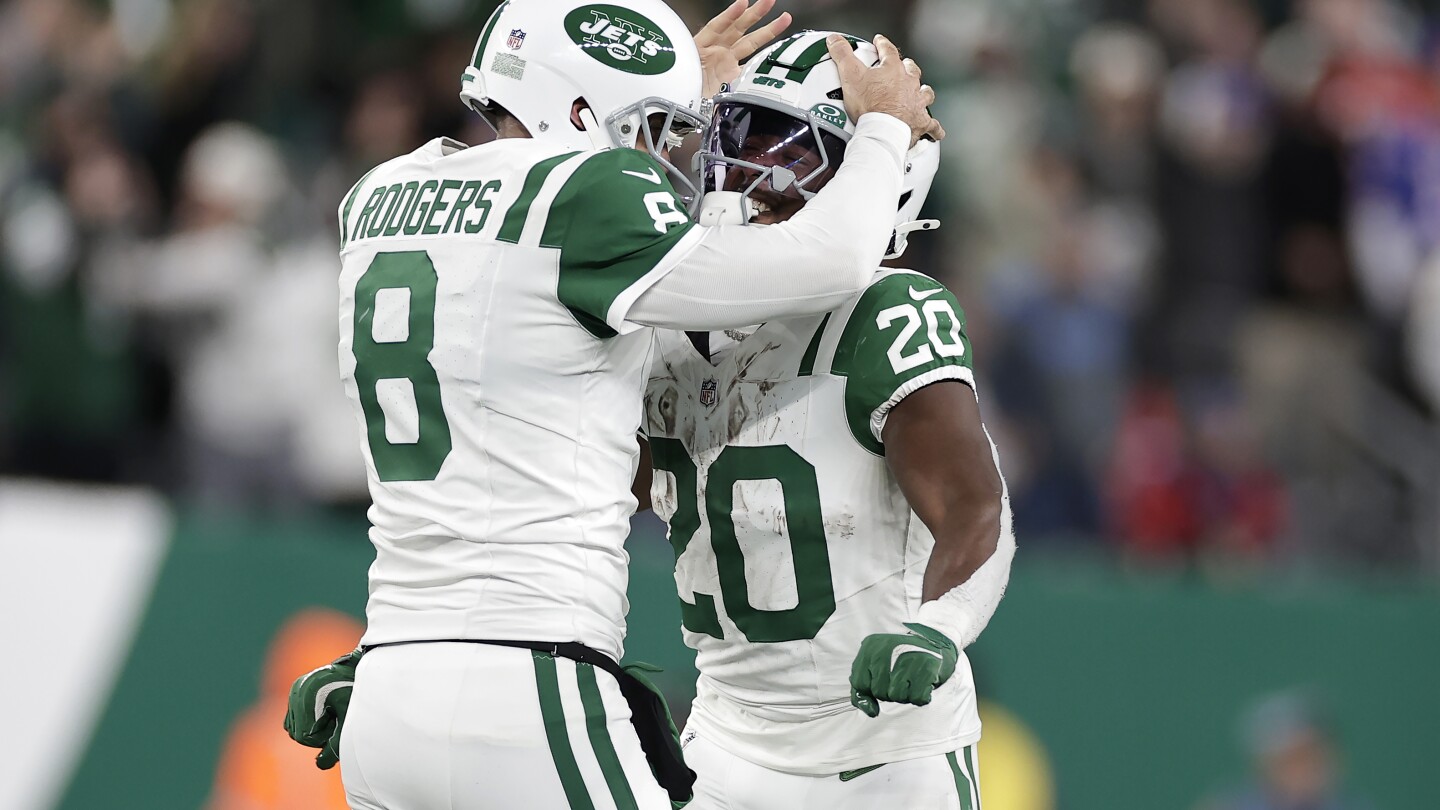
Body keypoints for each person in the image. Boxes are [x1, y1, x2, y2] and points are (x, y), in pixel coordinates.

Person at [282, 1, 944, 808]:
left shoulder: (377, 195)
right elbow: (830, 259)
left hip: (387, 681)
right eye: (648, 124)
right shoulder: (589, 191)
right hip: (527, 677)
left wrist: (660, 88)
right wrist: (881, 133)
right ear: (577, 108)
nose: (664, 150)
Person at [637, 30, 1015, 809]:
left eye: (786, 149)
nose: (739, 174)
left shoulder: (884, 313)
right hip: (723, 744)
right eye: (735, 135)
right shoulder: (661, 315)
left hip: (881, 759)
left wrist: (936, 627)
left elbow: (978, 509)